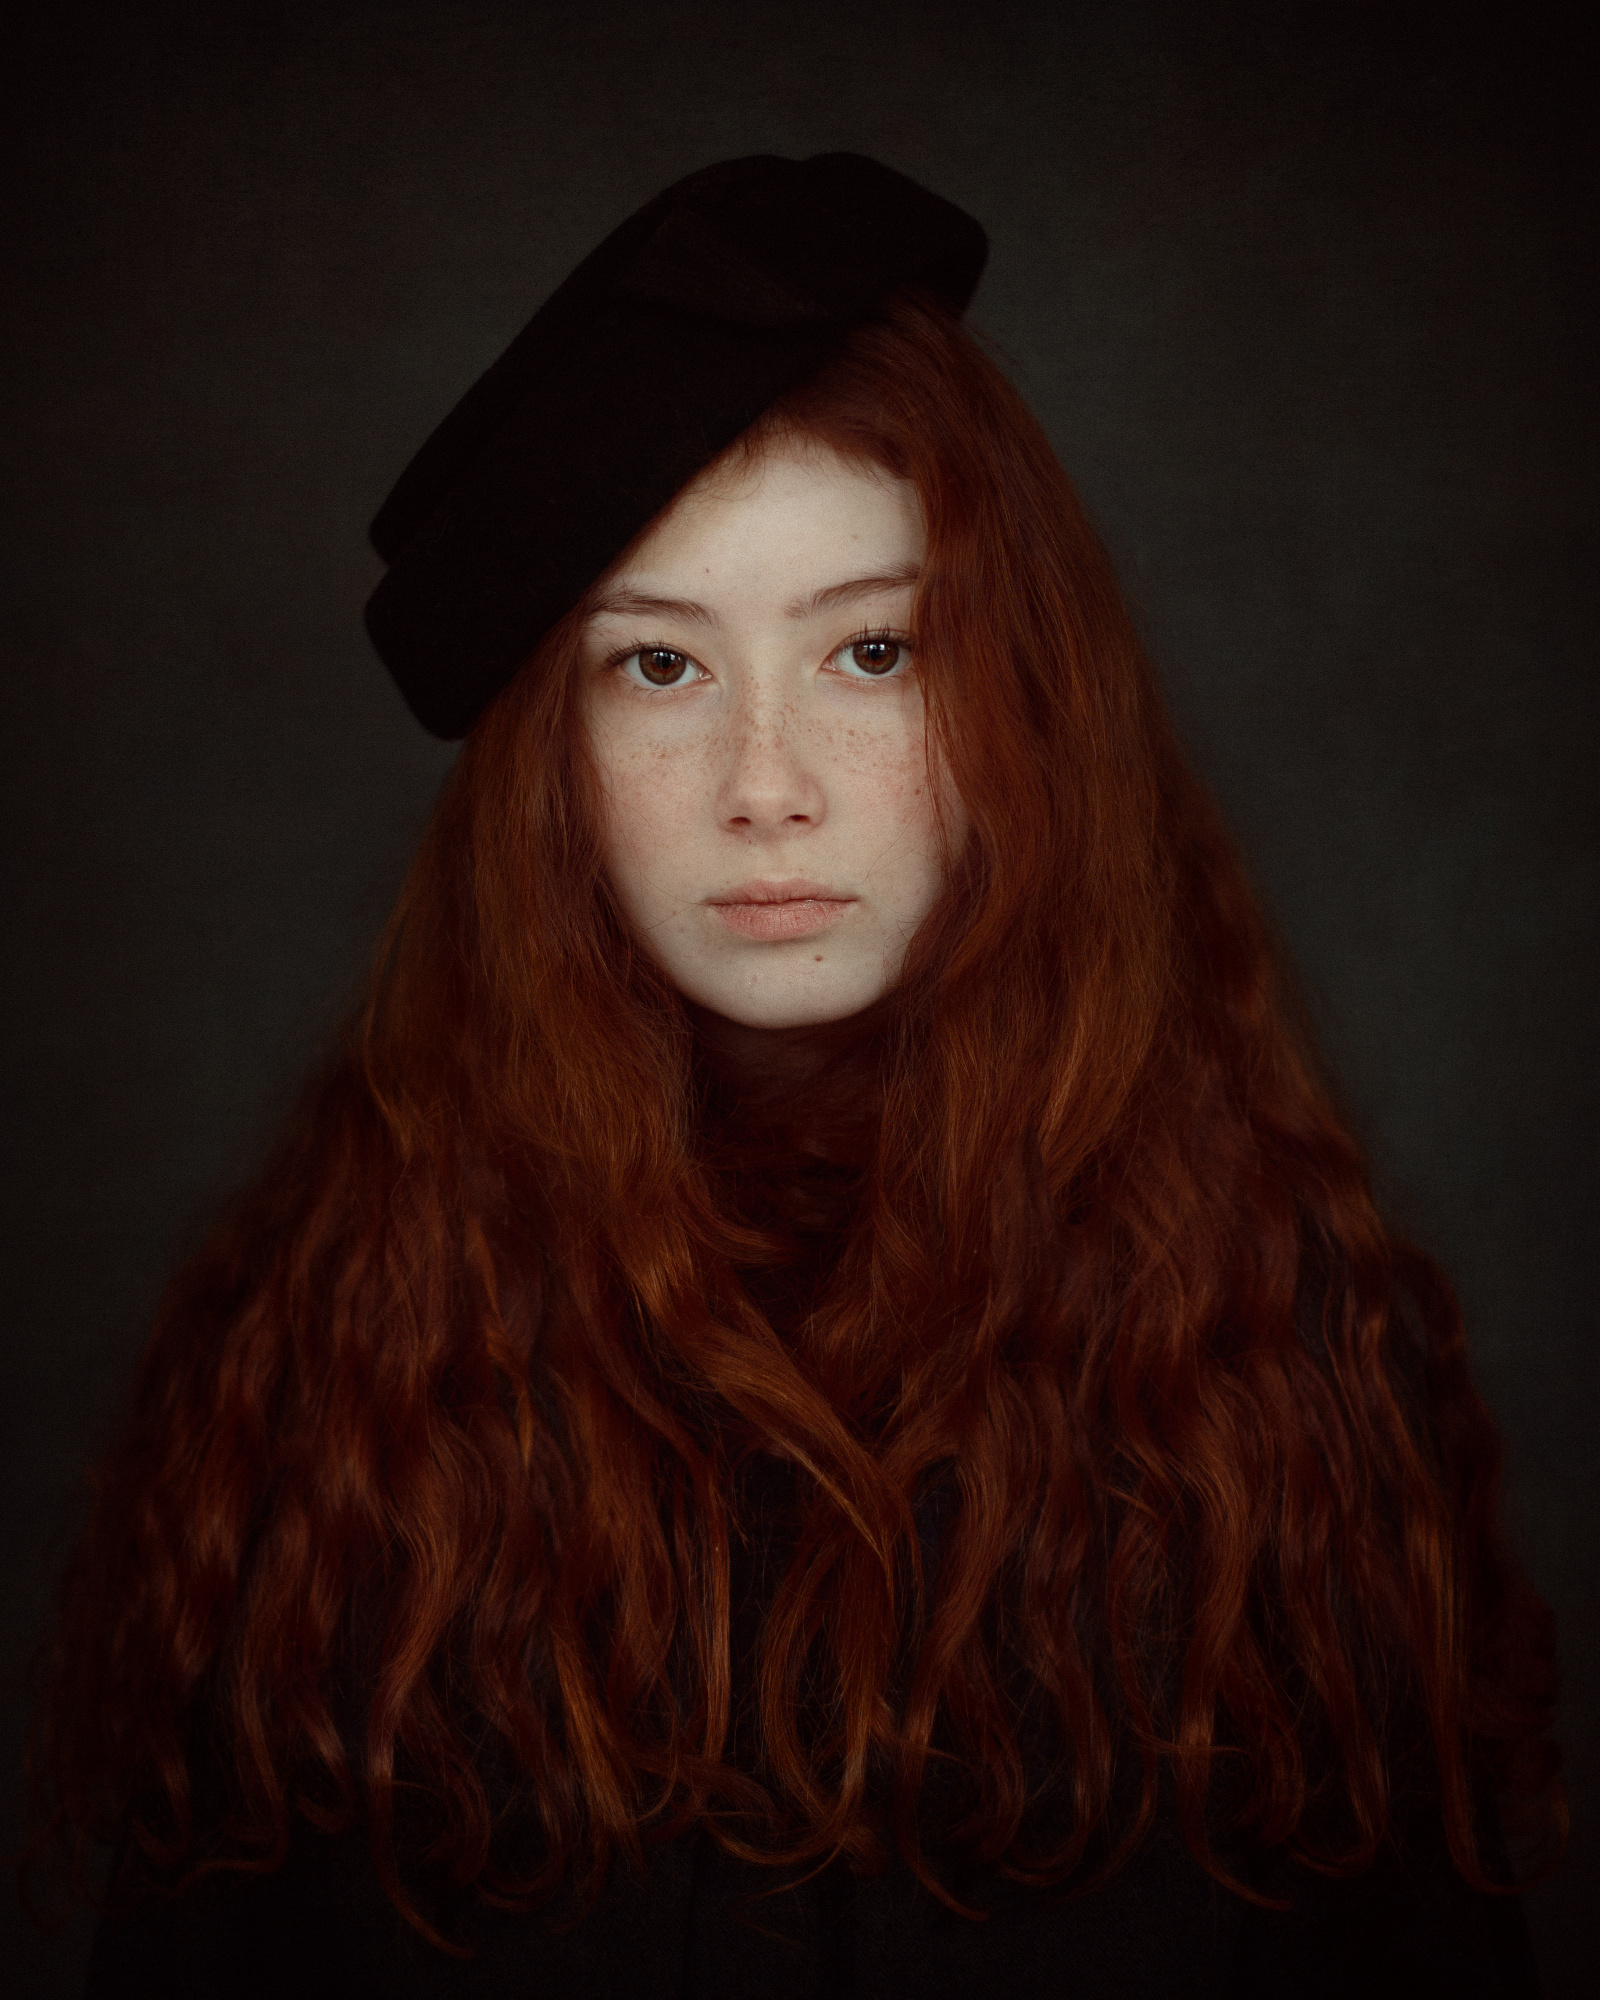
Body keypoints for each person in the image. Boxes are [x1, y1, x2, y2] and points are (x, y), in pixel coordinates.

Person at [29, 154, 1561, 1996]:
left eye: (873, 650)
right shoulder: (326, 1363)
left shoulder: (1281, 1349)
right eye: (659, 666)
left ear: (1022, 701)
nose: (769, 784)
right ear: (550, 758)